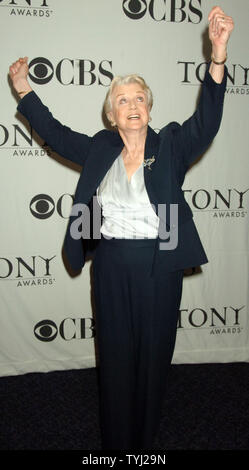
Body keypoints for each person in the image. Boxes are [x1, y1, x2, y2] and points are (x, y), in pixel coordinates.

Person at [9, 6, 234, 450]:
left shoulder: (169, 146)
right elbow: (53, 132)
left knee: (152, 360)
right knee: (114, 359)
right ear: (112, 114)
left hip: (160, 265)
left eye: (139, 98)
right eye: (123, 100)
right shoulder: (99, 148)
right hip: (110, 264)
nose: (132, 106)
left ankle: (144, 443)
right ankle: (116, 446)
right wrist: (24, 92)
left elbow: (206, 123)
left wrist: (219, 56)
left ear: (150, 108)